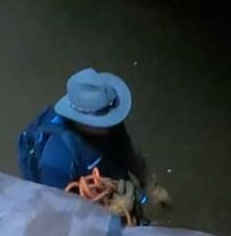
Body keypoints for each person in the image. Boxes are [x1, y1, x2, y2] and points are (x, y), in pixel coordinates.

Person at [17, 68, 156, 202]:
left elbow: (127, 150)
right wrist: (111, 213)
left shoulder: (111, 122)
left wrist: (150, 184)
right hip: (89, 209)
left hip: (117, 189)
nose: (111, 123)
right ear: (78, 119)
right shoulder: (57, 157)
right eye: (102, 120)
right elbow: (57, 213)